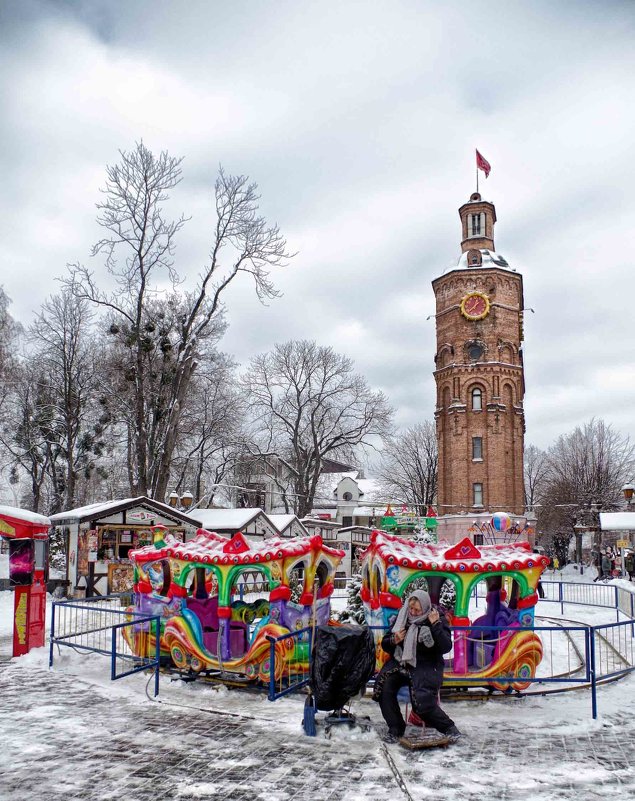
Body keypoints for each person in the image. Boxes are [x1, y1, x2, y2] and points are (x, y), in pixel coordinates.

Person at [373, 590, 462, 744]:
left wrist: (436, 625)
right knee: (384, 687)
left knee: (422, 701)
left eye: (417, 610)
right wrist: (394, 640)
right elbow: (386, 643)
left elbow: (446, 646)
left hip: (426, 665)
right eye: (411, 609)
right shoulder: (402, 618)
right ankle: (395, 728)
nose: (413, 613)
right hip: (401, 663)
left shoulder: (436, 618)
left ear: (425, 607)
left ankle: (449, 728)